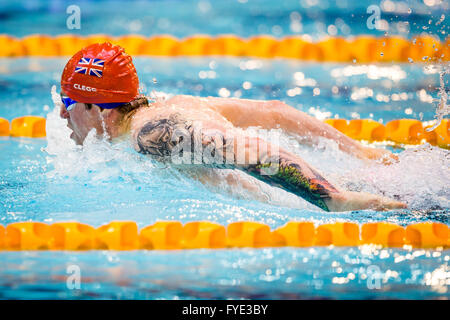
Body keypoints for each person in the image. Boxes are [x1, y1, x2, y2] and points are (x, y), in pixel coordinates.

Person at [59, 42, 406, 212]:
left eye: (69, 103)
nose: (62, 114)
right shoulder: (170, 105)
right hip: (359, 184)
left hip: (325, 203)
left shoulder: (152, 136)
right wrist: (362, 152)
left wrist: (334, 199)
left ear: (100, 111)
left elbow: (247, 150)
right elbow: (274, 111)